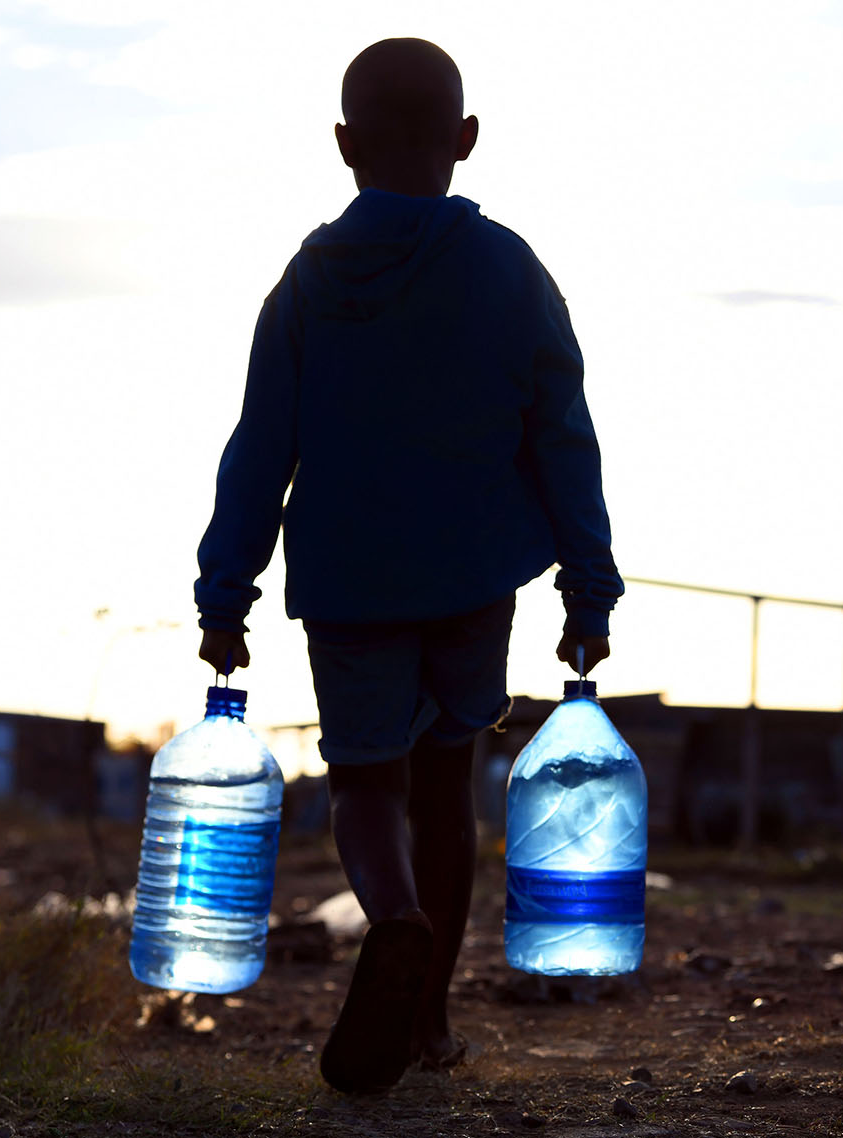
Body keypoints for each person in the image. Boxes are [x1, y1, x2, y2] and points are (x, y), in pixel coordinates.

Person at [190, 37, 622, 1095]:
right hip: (474, 577)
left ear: (342, 146)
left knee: (364, 785)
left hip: (346, 582)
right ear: (465, 141)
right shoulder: (510, 271)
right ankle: (425, 1017)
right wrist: (587, 583)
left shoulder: (306, 282)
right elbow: (562, 435)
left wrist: (224, 591)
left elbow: (259, 449)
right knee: (447, 790)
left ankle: (392, 920)